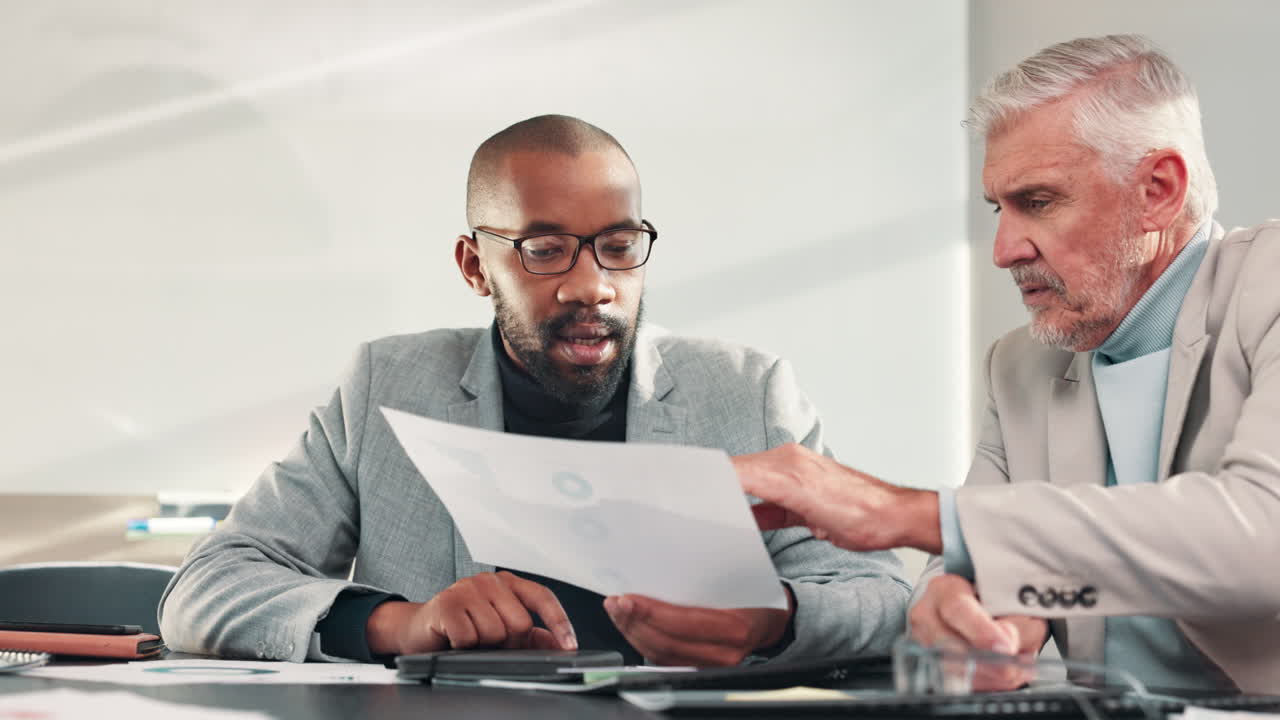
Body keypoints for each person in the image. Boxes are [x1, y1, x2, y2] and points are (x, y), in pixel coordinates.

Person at [158, 114, 909, 666]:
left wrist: (774, 618)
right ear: (474, 266)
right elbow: (206, 590)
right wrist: (402, 623)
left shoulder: (748, 391)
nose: (594, 286)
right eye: (545, 251)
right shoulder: (386, 387)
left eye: (619, 248)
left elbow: (882, 596)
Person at [732, 35, 1280, 693]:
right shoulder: (1020, 365)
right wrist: (963, 614)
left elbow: (1262, 534)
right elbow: (964, 569)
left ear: (1157, 191)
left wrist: (905, 511)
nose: (1004, 249)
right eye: (1000, 208)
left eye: (1038, 202)